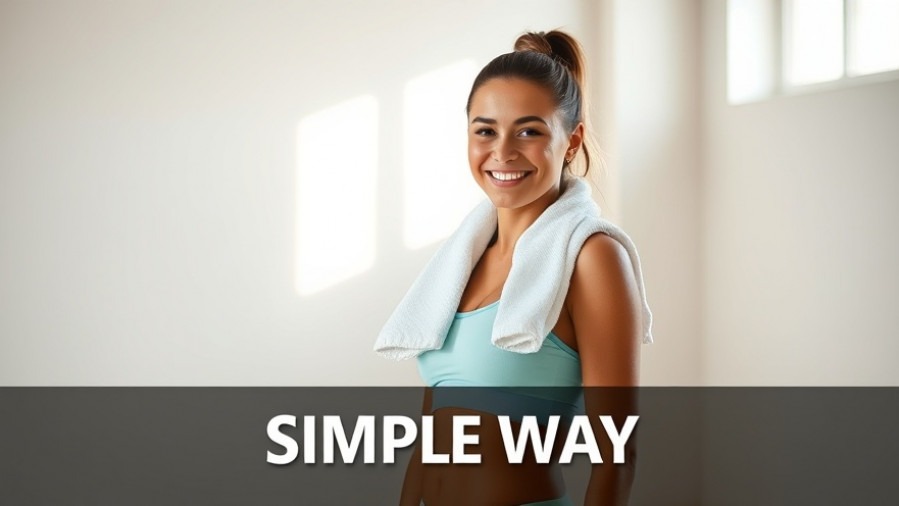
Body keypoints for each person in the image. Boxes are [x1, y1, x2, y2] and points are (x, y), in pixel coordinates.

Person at [376, 30, 652, 506]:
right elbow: (429, 441)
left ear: (572, 141)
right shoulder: (458, 266)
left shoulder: (591, 257)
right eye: (485, 130)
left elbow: (616, 458)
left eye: (529, 131)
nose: (502, 152)